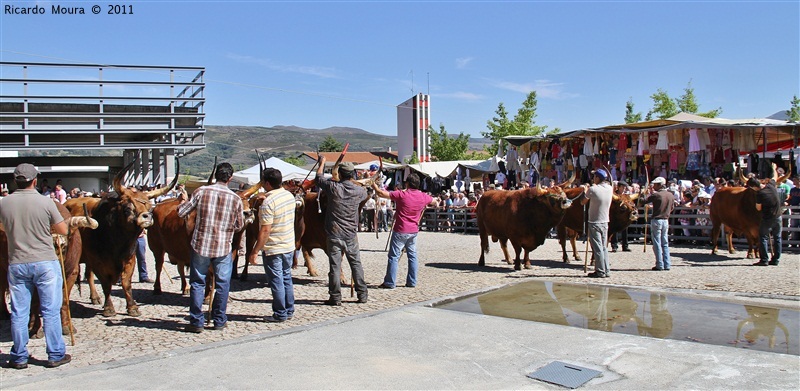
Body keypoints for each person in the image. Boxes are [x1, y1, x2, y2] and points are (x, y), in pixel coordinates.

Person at [0, 163, 71, 369]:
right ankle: (55, 354)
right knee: (50, 310)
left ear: (15, 181)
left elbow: (3, 226)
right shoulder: (46, 202)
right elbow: (63, 230)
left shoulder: (4, 203)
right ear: (35, 180)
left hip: (17, 262)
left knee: (19, 312)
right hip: (44, 261)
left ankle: (19, 356)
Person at [177, 162, 244, 332]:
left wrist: (183, 201)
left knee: (198, 283)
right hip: (223, 247)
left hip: (201, 244)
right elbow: (239, 225)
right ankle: (219, 320)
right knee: (222, 284)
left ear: (215, 176)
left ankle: (196, 322)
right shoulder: (235, 198)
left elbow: (181, 212)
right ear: (230, 178)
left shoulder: (201, 191)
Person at [315, 157, 368, 305]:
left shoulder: (334, 188)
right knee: (356, 264)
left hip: (334, 232)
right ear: (352, 174)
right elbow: (365, 196)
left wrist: (322, 164)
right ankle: (362, 295)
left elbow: (318, 179)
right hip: (351, 233)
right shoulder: (360, 191)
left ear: (340, 173)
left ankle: (335, 297)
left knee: (335, 266)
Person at [247, 168, 296, 322]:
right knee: (286, 277)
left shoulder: (268, 202)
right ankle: (289, 310)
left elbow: (265, 230)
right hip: (288, 244)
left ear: (267, 183)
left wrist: (255, 251)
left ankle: (280, 313)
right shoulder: (289, 196)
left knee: (276, 281)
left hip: (274, 247)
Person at [372, 173, 434, 289]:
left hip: (401, 229)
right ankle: (412, 281)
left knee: (394, 256)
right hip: (413, 230)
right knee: (412, 256)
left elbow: (381, 193)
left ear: (408, 183)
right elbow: (435, 202)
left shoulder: (402, 194)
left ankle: (390, 282)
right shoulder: (423, 196)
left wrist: (373, 184)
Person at [581, 169, 613, 278]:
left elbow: (583, 202)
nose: (593, 178)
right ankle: (606, 269)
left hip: (594, 221)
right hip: (605, 221)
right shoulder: (610, 188)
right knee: (604, 247)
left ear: (598, 178)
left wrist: (586, 191)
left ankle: (600, 271)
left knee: (597, 248)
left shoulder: (593, 189)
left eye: (594, 176)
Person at [749, 177, 782, 266]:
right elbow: (772, 179)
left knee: (763, 237)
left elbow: (758, 208)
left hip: (768, 218)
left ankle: (764, 260)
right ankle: (776, 259)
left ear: (753, 187)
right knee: (777, 238)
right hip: (778, 216)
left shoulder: (760, 194)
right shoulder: (771, 186)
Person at [645, 177, 675, 271]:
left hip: (657, 220)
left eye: (655, 185)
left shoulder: (656, 195)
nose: (654, 186)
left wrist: (644, 193)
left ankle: (659, 264)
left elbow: (644, 201)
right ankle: (667, 264)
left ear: (660, 185)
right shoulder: (670, 195)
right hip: (665, 220)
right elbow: (672, 208)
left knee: (657, 243)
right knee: (665, 243)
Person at [610, 180, 632, 252]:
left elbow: (630, 204)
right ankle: (614, 246)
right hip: (615, 216)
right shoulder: (614, 194)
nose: (624, 188)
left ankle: (625, 246)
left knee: (625, 231)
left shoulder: (626, 196)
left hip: (624, 216)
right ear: (618, 187)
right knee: (614, 231)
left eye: (625, 187)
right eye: (623, 187)